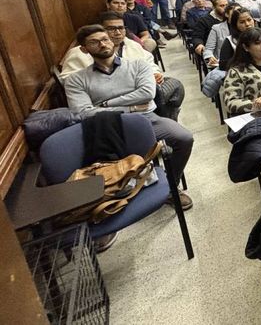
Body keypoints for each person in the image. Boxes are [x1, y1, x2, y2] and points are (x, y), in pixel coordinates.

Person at [63, 26, 194, 222]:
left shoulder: (138, 65)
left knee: (184, 138)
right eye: (94, 42)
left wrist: (104, 104)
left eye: (105, 39)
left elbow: (146, 94)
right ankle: (115, 197)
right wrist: (131, 107)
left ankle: (170, 186)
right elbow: (82, 113)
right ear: (84, 49)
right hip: (106, 127)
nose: (103, 44)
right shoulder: (76, 79)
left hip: (147, 119)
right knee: (104, 156)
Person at [205, 3, 241, 67]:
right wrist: (210, 57)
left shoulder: (245, 27)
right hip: (223, 63)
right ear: (227, 14)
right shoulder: (216, 28)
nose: (237, 14)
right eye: (234, 12)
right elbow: (208, 49)